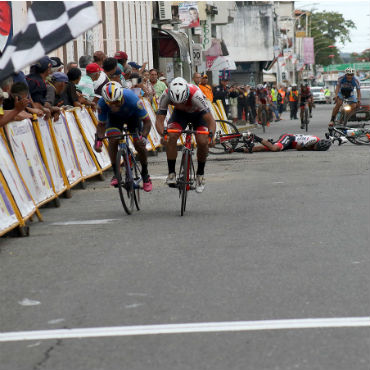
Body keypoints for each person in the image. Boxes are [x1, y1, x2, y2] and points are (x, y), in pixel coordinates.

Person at [155, 77, 216, 193]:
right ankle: (171, 173)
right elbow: (159, 119)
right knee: (171, 137)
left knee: (203, 142)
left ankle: (200, 175)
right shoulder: (166, 95)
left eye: (182, 101)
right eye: (177, 102)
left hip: (199, 115)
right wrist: (163, 134)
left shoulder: (196, 94)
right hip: (180, 115)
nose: (181, 103)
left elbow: (210, 120)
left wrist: (211, 136)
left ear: (186, 94)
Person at [93, 81, 152, 191]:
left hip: (133, 118)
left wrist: (143, 137)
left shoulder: (133, 99)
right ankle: (116, 173)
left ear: (121, 97)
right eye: (110, 103)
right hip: (114, 120)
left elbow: (147, 122)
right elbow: (101, 125)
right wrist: (98, 142)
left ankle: (145, 174)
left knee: (139, 144)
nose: (114, 105)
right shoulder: (102, 104)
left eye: (116, 102)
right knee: (113, 140)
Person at [232, 133, 332, 153]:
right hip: (289, 138)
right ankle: (254, 136)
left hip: (289, 144)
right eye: (316, 148)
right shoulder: (313, 140)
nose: (315, 150)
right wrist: (303, 147)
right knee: (275, 149)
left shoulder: (316, 143)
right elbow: (298, 147)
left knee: (263, 149)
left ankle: (236, 149)